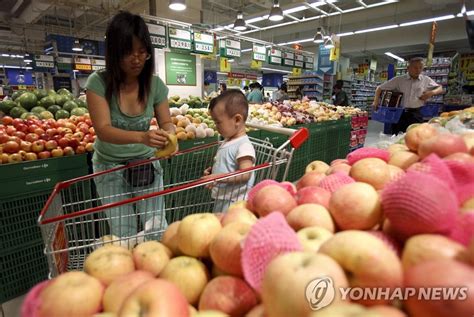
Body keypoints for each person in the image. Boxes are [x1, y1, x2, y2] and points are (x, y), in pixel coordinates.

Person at [86, 11, 175, 240]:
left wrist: (169, 137)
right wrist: (142, 137)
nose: (136, 59)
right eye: (128, 52)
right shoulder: (98, 83)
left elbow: (166, 122)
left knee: (156, 229)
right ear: (115, 53)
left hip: (145, 166)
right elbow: (103, 130)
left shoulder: (154, 84)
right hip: (109, 168)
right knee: (122, 232)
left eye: (142, 51)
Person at [203, 89, 256, 212]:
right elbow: (228, 164)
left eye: (218, 122)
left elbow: (245, 173)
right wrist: (213, 172)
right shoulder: (228, 141)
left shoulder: (244, 146)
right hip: (223, 198)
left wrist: (218, 177)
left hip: (235, 203)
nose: (216, 127)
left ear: (237, 120)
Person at [372, 57, 444, 134]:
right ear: (408, 68)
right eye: (415, 67)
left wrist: (431, 93)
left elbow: (440, 88)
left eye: (420, 67)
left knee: (416, 136)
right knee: (397, 136)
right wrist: (376, 101)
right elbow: (379, 88)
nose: (418, 70)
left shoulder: (426, 80)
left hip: (416, 114)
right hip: (399, 114)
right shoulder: (399, 80)